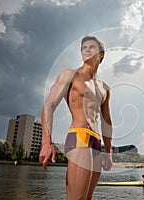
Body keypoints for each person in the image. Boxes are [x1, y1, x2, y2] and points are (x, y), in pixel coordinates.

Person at [39, 35, 113, 200]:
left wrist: (109, 152)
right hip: (79, 136)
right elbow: (49, 106)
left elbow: (106, 122)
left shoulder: (104, 88)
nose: (86, 50)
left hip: (96, 142)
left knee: (87, 198)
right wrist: (46, 143)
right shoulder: (70, 75)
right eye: (83, 47)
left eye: (91, 47)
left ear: (101, 54)